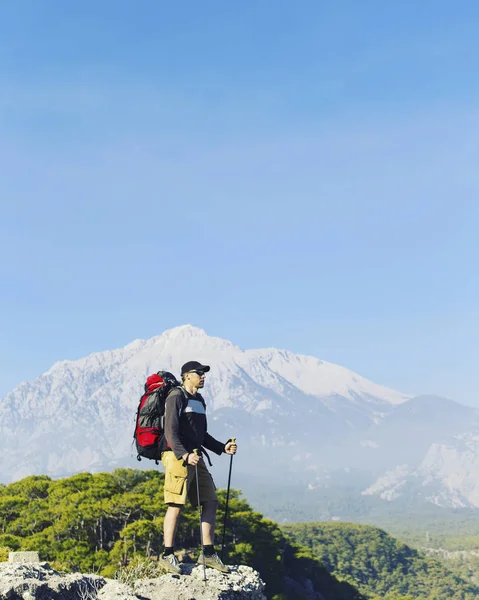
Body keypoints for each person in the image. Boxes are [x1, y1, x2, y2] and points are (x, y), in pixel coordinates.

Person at [158, 360, 238, 574]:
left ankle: (208, 553)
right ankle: (167, 555)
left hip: (195, 457)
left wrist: (223, 447)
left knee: (210, 500)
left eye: (204, 373)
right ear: (186, 375)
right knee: (176, 503)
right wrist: (184, 455)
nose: (203, 376)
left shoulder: (199, 400)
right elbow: (170, 432)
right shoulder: (176, 396)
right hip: (177, 457)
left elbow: (202, 436)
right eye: (199, 372)